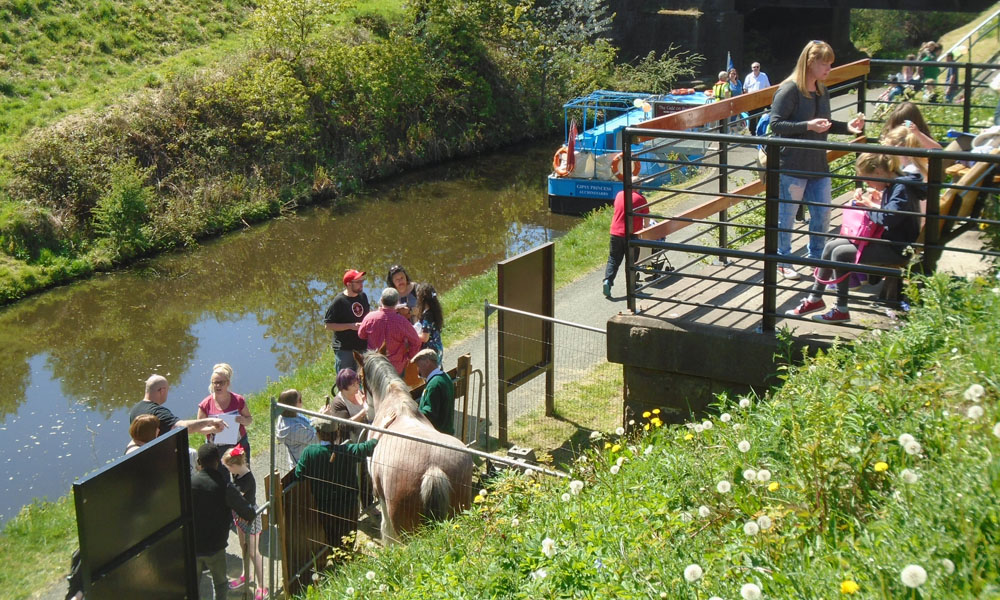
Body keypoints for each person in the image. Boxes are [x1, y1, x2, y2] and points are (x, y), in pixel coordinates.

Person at [785, 152, 922, 322]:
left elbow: (888, 218)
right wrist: (874, 202)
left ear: (878, 172)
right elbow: (892, 214)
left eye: (868, 179)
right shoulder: (894, 185)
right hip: (889, 241)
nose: (867, 184)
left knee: (840, 254)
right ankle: (815, 299)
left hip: (897, 248)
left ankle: (841, 309)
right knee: (830, 246)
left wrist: (868, 206)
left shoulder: (901, 188)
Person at [769, 40, 865, 280]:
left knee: (822, 215)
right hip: (792, 164)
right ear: (811, 63)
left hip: (818, 165)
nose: (829, 69)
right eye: (825, 64)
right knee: (786, 217)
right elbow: (776, 124)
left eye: (831, 64)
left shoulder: (822, 90)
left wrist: (848, 127)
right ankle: (784, 259)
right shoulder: (789, 89)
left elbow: (824, 124)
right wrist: (807, 126)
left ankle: (817, 260)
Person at [292, 419, 378, 552]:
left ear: (318, 433)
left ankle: (338, 560)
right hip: (348, 505)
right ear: (337, 433)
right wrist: (381, 430)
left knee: (332, 537)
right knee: (349, 534)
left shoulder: (310, 452)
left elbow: (298, 475)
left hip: (325, 506)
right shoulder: (347, 450)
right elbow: (369, 447)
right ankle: (348, 557)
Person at [191, 443, 255, 600]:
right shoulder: (225, 487)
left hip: (193, 546)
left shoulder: (189, 485)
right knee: (220, 585)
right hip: (216, 546)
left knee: (192, 586)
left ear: (198, 462)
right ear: (218, 462)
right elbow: (249, 512)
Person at [221, 446, 267, 600]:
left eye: (228, 468)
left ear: (235, 465)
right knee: (244, 547)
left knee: (254, 552)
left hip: (250, 517)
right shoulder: (237, 474)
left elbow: (234, 496)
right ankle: (246, 575)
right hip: (239, 516)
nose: (229, 471)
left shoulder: (246, 480)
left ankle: (262, 585)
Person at [129, 374, 225, 437]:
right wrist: (210, 420)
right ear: (162, 391)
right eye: (167, 390)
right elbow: (182, 427)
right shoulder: (158, 413)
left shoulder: (135, 409)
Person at [358, 287, 422, 375]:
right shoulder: (402, 321)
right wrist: (408, 357)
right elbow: (416, 342)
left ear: (381, 300)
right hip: (396, 367)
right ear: (397, 302)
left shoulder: (369, 317)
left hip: (375, 366)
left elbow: (361, 334)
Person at [197, 363, 252, 458]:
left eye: (221, 382)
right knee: (220, 473)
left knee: (242, 472)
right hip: (216, 448)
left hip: (238, 444)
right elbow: (199, 428)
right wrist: (212, 429)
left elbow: (249, 419)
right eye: (215, 382)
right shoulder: (205, 404)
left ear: (228, 383)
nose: (218, 385)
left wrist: (243, 420)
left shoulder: (238, 400)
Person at [602, 190, 649, 298]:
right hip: (631, 234)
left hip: (615, 233)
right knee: (632, 261)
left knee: (613, 259)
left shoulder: (619, 194)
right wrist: (646, 229)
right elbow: (646, 219)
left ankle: (607, 281)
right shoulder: (641, 199)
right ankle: (632, 286)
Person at [323, 269, 370, 373]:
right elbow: (328, 325)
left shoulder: (363, 296)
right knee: (346, 381)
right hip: (345, 349)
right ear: (348, 284)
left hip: (362, 345)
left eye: (362, 281)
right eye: (358, 282)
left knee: (364, 378)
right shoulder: (339, 301)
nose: (361, 284)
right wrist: (351, 326)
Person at [412, 349, 455, 435]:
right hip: (446, 433)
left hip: (437, 435)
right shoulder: (444, 377)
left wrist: (412, 412)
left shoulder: (434, 384)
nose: (418, 369)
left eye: (419, 365)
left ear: (427, 362)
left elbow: (429, 413)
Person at [275, 388, 318, 471]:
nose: (302, 402)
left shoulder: (288, 415)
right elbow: (315, 440)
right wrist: (322, 421)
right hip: (307, 466)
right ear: (292, 405)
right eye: (300, 400)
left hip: (308, 458)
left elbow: (308, 424)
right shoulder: (293, 430)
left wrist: (320, 415)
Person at [330, 369, 370, 442]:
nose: (357, 386)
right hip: (354, 441)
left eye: (357, 383)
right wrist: (364, 411)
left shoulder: (359, 392)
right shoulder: (338, 403)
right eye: (353, 385)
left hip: (369, 430)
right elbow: (345, 425)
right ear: (343, 388)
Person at [414, 283, 444, 364]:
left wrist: (411, 334)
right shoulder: (434, 311)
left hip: (430, 353)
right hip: (437, 347)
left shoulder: (428, 315)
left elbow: (425, 338)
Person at [744, 61, 772, 131]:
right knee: (752, 117)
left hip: (761, 100)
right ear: (751, 68)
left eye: (757, 67)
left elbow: (768, 87)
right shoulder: (748, 77)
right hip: (751, 100)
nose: (756, 68)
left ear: (759, 67)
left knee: (760, 116)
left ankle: (759, 131)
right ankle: (752, 132)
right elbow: (745, 89)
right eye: (754, 67)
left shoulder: (764, 76)